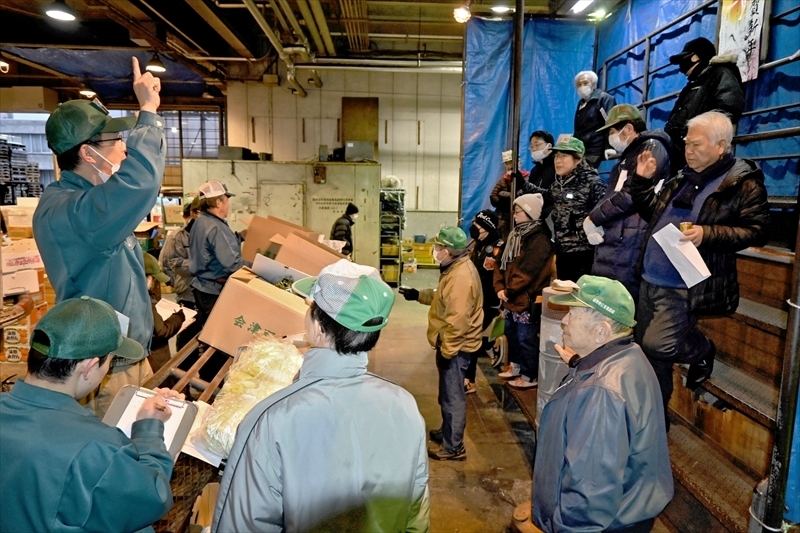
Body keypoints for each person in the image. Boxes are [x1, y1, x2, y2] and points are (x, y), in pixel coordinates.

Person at [213, 260, 429, 532]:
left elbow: (244, 523)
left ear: (317, 325)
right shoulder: (404, 406)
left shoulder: (272, 419)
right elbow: (416, 513)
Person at [32, 57, 164, 417]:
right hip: (104, 373)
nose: (124, 148)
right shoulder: (71, 212)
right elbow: (140, 183)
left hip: (125, 359)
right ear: (88, 153)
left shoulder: (81, 203)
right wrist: (147, 112)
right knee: (120, 460)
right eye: (116, 140)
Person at [0, 296, 183, 533]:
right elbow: (153, 497)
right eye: (109, 361)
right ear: (89, 367)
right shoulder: (96, 449)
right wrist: (149, 429)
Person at [631, 111, 769, 422]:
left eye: (696, 145)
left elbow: (757, 229)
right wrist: (641, 182)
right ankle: (655, 418)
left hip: (686, 284)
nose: (689, 150)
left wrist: (707, 234)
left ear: (721, 146)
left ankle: (701, 348)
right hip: (651, 276)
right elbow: (652, 213)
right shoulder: (683, 176)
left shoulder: (741, 182)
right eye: (687, 144)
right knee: (648, 351)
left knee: (657, 345)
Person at [532, 276, 673, 532]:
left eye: (573, 314)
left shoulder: (601, 393)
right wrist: (580, 364)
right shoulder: (627, 356)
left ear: (602, 331)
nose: (564, 320)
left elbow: (589, 491)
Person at [399, 227, 483, 461]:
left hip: (456, 347)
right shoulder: (454, 269)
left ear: (447, 251)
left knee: (453, 397)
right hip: (450, 342)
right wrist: (418, 295)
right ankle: (448, 433)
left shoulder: (460, 278)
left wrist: (448, 351)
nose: (434, 250)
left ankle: (454, 447)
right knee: (446, 393)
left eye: (438, 247)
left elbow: (458, 320)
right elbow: (441, 298)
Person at [586, 104, 672, 301]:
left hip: (631, 241)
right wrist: (594, 220)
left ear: (629, 128)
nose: (611, 137)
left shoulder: (652, 148)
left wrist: (594, 217)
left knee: (621, 304)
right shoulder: (626, 159)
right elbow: (611, 195)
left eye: (613, 131)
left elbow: (630, 194)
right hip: (616, 240)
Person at [493, 194, 554, 389]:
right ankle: (516, 366)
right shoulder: (514, 236)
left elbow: (528, 271)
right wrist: (499, 287)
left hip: (525, 299)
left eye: (518, 211)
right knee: (512, 333)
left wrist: (509, 291)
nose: (515, 215)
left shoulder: (540, 240)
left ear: (530, 213)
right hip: (510, 297)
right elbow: (500, 264)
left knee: (525, 337)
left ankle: (530, 375)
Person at [664, 37, 745, 172]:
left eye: (684, 60)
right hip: (683, 153)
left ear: (695, 57)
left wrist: (698, 133)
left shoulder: (720, 74)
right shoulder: (693, 84)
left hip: (701, 154)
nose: (681, 67)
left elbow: (729, 107)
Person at [537, 136, 606, 282]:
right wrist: (522, 184)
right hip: (562, 250)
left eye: (563, 155)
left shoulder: (592, 182)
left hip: (584, 253)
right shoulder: (559, 183)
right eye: (556, 156)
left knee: (580, 299)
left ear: (578, 158)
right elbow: (545, 196)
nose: (558, 160)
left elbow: (604, 212)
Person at [189, 180, 249, 328]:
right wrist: (261, 266)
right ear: (218, 203)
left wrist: (238, 237)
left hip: (201, 288)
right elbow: (232, 264)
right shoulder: (216, 227)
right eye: (226, 201)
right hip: (213, 291)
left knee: (209, 332)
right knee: (220, 338)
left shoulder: (201, 222)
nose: (228, 205)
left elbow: (210, 249)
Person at [465, 209, 502, 393]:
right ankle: (490, 346)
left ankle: (469, 380)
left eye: (477, 224)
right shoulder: (478, 243)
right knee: (472, 335)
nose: (473, 227)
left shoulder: (497, 247)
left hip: (488, 301)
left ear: (487, 227)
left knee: (473, 336)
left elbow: (496, 277)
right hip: (475, 299)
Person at [160, 196, 201, 350]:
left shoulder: (209, 235)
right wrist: (176, 283)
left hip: (207, 297)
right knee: (187, 335)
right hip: (187, 295)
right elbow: (166, 263)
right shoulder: (177, 237)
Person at [144, 252, 185, 373]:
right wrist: (178, 318)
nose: (154, 283)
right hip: (152, 360)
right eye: (153, 278)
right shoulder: (144, 300)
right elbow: (161, 331)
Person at [573, 71, 617, 168]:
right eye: (579, 85)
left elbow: (610, 123)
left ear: (593, 84)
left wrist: (609, 146)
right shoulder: (581, 103)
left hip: (595, 148)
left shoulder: (604, 99)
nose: (582, 87)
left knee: (585, 176)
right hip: (581, 149)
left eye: (585, 83)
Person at [490, 150, 529, 235]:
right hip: (504, 219)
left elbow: (524, 195)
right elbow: (493, 196)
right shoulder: (502, 181)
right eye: (507, 163)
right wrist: (502, 203)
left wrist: (504, 194)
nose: (509, 166)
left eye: (511, 162)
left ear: (519, 163)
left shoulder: (526, 179)